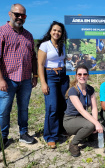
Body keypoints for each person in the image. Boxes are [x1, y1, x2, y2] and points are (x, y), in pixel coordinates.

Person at [0, 3, 37, 147]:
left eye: (23, 15)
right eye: (17, 14)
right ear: (10, 14)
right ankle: (3, 138)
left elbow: (33, 57)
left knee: (23, 108)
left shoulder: (28, 35)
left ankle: (23, 133)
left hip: (26, 79)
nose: (20, 17)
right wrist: (1, 79)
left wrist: (35, 76)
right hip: (7, 80)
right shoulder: (2, 32)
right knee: (4, 110)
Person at [37, 21, 69, 149]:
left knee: (63, 105)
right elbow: (40, 65)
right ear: (50, 31)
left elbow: (67, 61)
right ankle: (50, 136)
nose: (57, 32)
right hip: (50, 76)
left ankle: (60, 130)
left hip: (63, 76)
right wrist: (43, 83)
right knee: (52, 107)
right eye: (54, 30)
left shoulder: (63, 46)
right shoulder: (45, 46)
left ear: (62, 33)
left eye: (59, 31)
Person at [63, 65, 103, 157]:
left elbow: (94, 108)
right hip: (70, 120)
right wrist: (96, 124)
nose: (82, 76)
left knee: (102, 130)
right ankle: (74, 143)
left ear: (88, 75)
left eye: (85, 74)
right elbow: (81, 110)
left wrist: (96, 123)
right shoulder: (73, 90)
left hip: (82, 118)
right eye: (79, 74)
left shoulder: (90, 89)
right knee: (91, 125)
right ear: (76, 76)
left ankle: (87, 134)